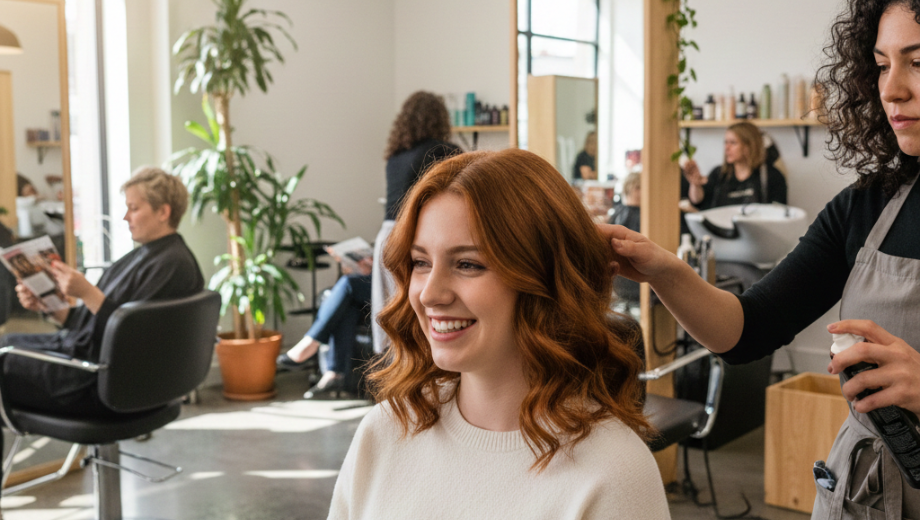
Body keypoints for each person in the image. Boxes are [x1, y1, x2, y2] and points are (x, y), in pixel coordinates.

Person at [606, 1, 920, 516]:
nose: (892, 88)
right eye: (883, 65)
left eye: (917, 61)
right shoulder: (869, 205)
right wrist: (664, 268)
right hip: (862, 497)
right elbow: (746, 330)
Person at [328, 149, 669, 519]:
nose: (429, 294)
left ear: (546, 280)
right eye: (421, 262)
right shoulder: (383, 432)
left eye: (468, 264)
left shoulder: (613, 474)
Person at [0, 167, 203, 464]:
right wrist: (51, 306)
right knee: (7, 340)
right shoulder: (151, 255)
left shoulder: (172, 265)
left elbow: (131, 333)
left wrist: (85, 291)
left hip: (96, 382)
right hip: (91, 365)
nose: (125, 217)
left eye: (134, 209)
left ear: (163, 212)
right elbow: (99, 320)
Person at [371, 91, 461, 355]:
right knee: (417, 318)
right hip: (413, 237)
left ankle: (395, 379)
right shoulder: (443, 151)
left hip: (385, 236)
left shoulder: (395, 156)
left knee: (392, 315)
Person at [276, 255, 373, 399]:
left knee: (348, 283)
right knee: (348, 305)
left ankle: (312, 343)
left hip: (394, 284)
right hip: (379, 280)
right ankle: (334, 373)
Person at [682, 121, 787, 210]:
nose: (727, 147)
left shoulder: (772, 177)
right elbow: (698, 201)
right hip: (721, 233)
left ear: (749, 146)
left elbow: (778, 215)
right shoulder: (719, 174)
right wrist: (695, 184)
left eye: (733, 143)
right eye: (725, 142)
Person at [608, 171, 641, 309]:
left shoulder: (617, 213)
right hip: (626, 279)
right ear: (628, 189)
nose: (644, 192)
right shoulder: (624, 214)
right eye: (638, 188)